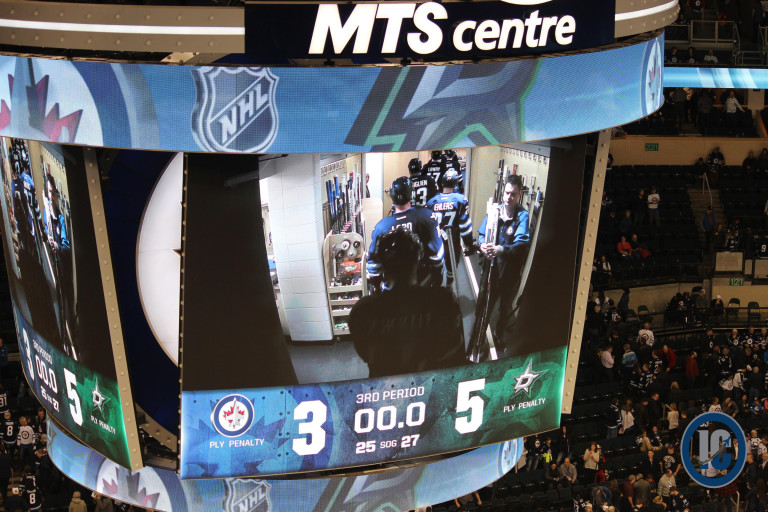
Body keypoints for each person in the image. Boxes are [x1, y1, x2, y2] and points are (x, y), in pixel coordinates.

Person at [351, 228, 464, 377]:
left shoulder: (363, 311)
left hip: (384, 386)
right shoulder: (442, 301)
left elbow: (366, 354)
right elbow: (453, 355)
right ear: (418, 258)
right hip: (430, 384)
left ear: (382, 264)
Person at [475, 175, 530, 354]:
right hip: (491, 270)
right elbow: (481, 234)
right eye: (506, 193)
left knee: (504, 307)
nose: (508, 197)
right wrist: (482, 246)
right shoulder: (494, 211)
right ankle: (478, 339)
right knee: (485, 305)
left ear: (519, 194)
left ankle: (499, 335)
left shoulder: (522, 216)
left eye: (513, 194)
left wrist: (500, 249)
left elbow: (520, 244)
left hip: (509, 272)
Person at [367, 177, 444, 291]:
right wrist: (436, 279)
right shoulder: (427, 216)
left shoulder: (381, 227)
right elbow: (437, 256)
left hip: (392, 289)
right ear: (411, 194)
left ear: (392, 196)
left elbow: (373, 265)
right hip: (421, 284)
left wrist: (378, 286)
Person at [426, 169, 474, 286]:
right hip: (452, 240)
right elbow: (464, 225)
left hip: (437, 241)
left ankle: (437, 286)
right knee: (451, 266)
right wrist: (469, 243)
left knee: (436, 266)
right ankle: (449, 285)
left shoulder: (432, 202)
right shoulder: (460, 199)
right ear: (455, 184)